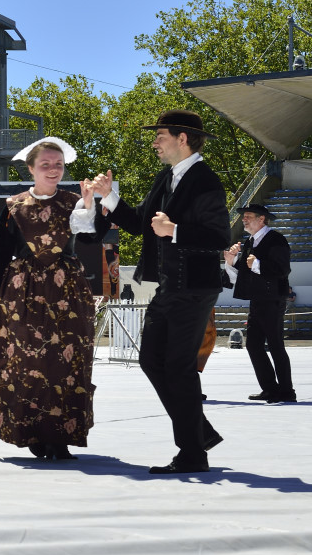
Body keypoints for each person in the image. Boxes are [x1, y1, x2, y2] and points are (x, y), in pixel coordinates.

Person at [91, 109, 231, 474]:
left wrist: (176, 230)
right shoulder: (166, 177)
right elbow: (139, 224)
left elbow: (220, 238)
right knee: (152, 360)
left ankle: (192, 454)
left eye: (160, 136)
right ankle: (198, 433)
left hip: (195, 288)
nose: (154, 142)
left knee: (179, 368)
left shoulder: (206, 182)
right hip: (169, 287)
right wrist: (108, 198)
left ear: (182, 138)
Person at [0, 138, 111, 460]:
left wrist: (90, 204)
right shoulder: (13, 205)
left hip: (68, 294)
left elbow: (89, 238)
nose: (53, 170)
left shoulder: (74, 201)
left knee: (66, 362)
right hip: (23, 294)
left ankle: (59, 437)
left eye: (58, 165)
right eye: (45, 164)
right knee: (27, 362)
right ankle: (31, 431)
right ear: (31, 168)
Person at [223, 203, 295, 403]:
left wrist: (257, 264)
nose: (244, 219)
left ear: (261, 219)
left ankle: (287, 391)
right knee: (253, 346)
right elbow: (246, 272)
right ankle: (270, 389)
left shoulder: (276, 240)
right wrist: (231, 262)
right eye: (244, 216)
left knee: (275, 346)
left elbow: (282, 270)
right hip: (258, 300)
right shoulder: (251, 242)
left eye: (248, 216)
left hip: (272, 300)